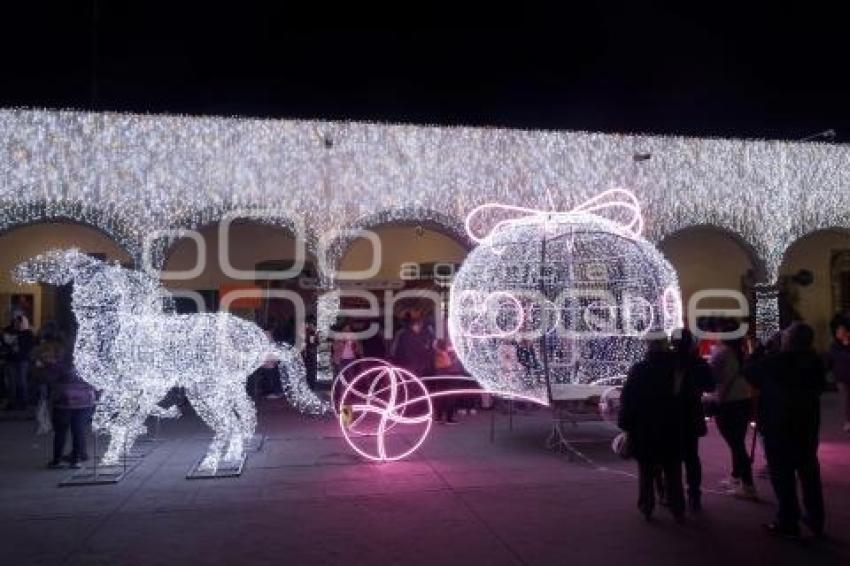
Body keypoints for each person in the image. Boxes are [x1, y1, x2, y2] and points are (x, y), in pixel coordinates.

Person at [745, 322, 826, 538]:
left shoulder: (776, 361)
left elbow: (750, 373)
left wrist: (761, 350)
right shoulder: (815, 361)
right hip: (807, 425)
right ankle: (816, 519)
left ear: (789, 340)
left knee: (783, 476)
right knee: (809, 474)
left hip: (778, 427)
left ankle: (788, 520)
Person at [618, 339, 689, 522]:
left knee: (646, 469)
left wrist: (626, 424)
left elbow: (628, 399)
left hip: (645, 427)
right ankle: (677, 507)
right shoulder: (677, 369)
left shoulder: (640, 369)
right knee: (673, 470)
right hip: (672, 426)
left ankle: (647, 506)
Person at [672, 328, 715, 512]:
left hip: (670, 416)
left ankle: (673, 496)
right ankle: (694, 496)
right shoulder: (698, 363)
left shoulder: (667, 363)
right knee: (691, 456)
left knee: (671, 457)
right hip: (691, 414)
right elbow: (710, 386)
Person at [710, 335, 757, 500]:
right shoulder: (741, 352)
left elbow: (712, 377)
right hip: (743, 400)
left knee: (736, 444)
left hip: (727, 402)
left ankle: (748, 485)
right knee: (738, 441)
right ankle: (736, 476)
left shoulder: (721, 353)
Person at [47, 359, 97, 468]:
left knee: (60, 432)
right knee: (78, 431)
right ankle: (75, 460)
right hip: (84, 402)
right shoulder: (89, 363)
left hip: (63, 401)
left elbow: (50, 379)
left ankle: (57, 460)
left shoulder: (60, 365)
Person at [826, 319, 850, 433]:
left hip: (844, 374)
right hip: (842, 376)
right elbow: (833, 359)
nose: (838, 333)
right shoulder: (834, 345)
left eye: (841, 331)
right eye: (838, 331)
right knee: (846, 399)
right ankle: (848, 421)